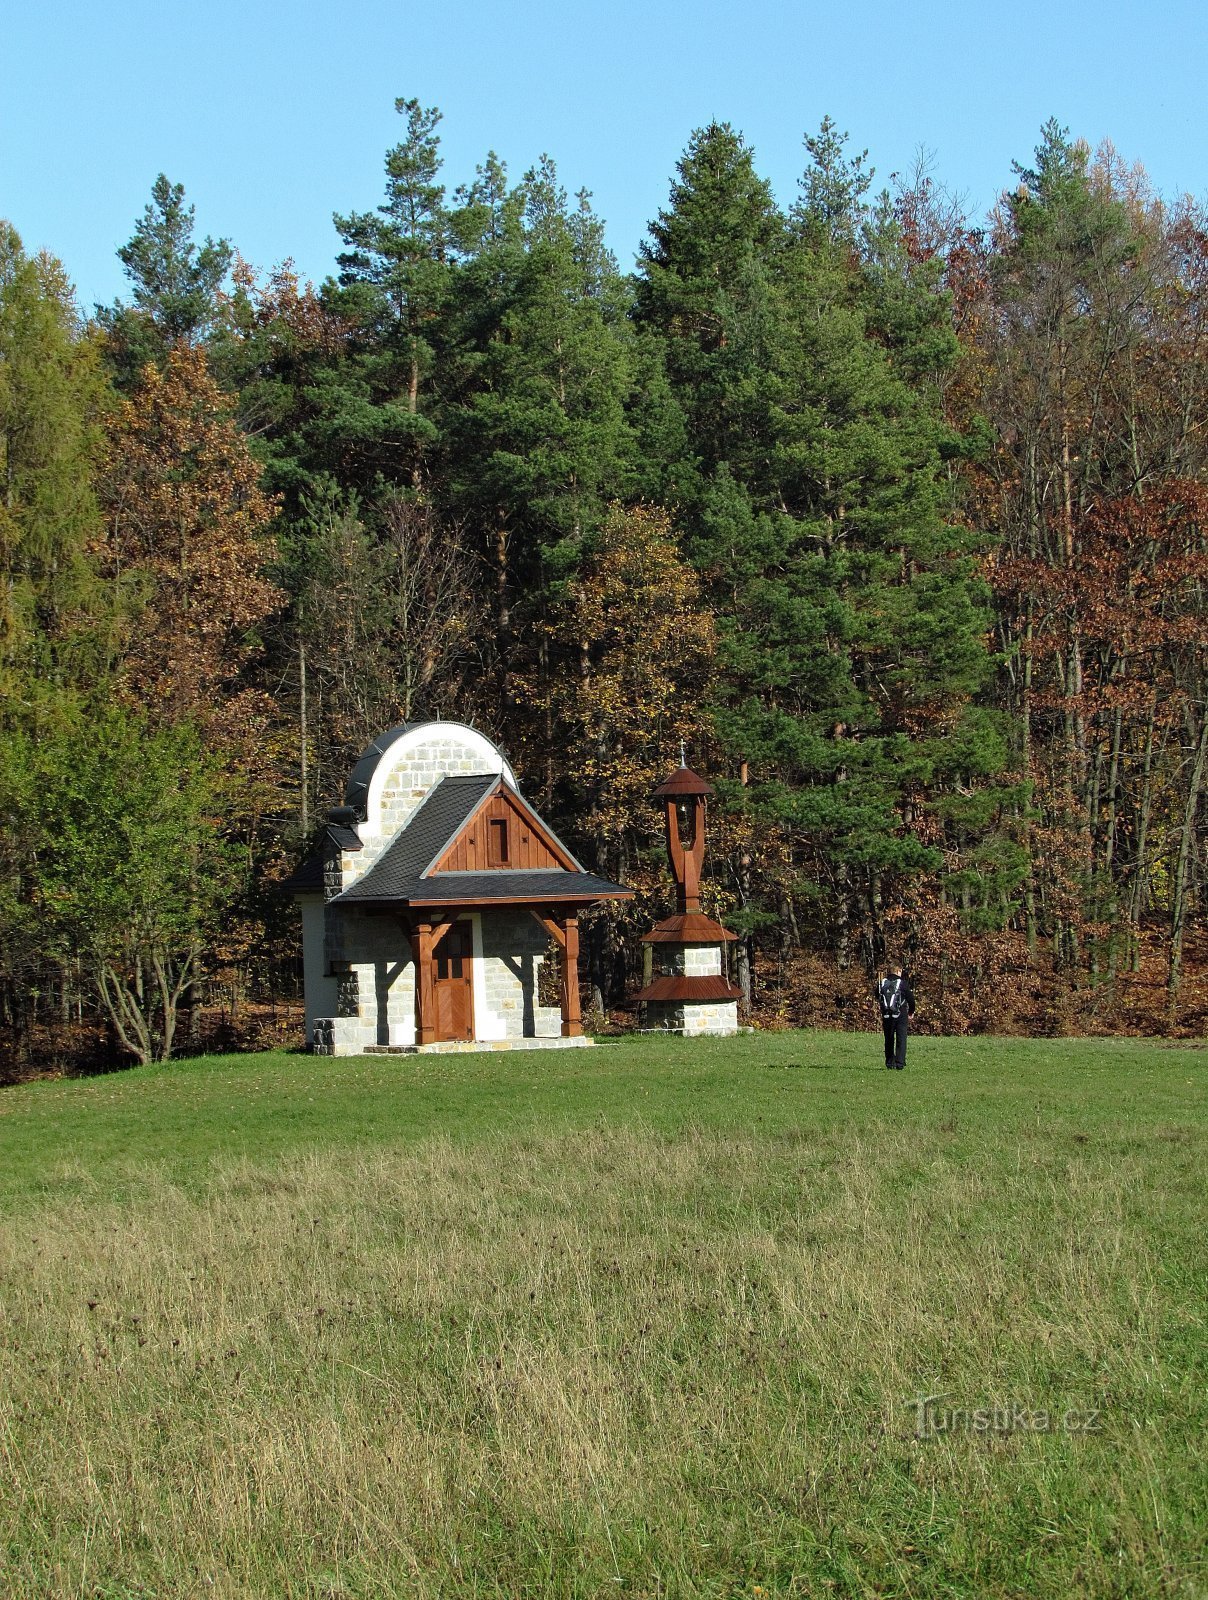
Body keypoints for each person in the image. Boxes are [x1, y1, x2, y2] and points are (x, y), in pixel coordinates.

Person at [877, 963, 916, 1069]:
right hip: (900, 1014)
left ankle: (889, 1062)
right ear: (898, 971)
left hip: (886, 1015)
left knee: (888, 1038)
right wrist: (911, 1012)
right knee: (901, 1038)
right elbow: (911, 999)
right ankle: (899, 1063)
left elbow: (877, 996)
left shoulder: (882, 983)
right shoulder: (902, 983)